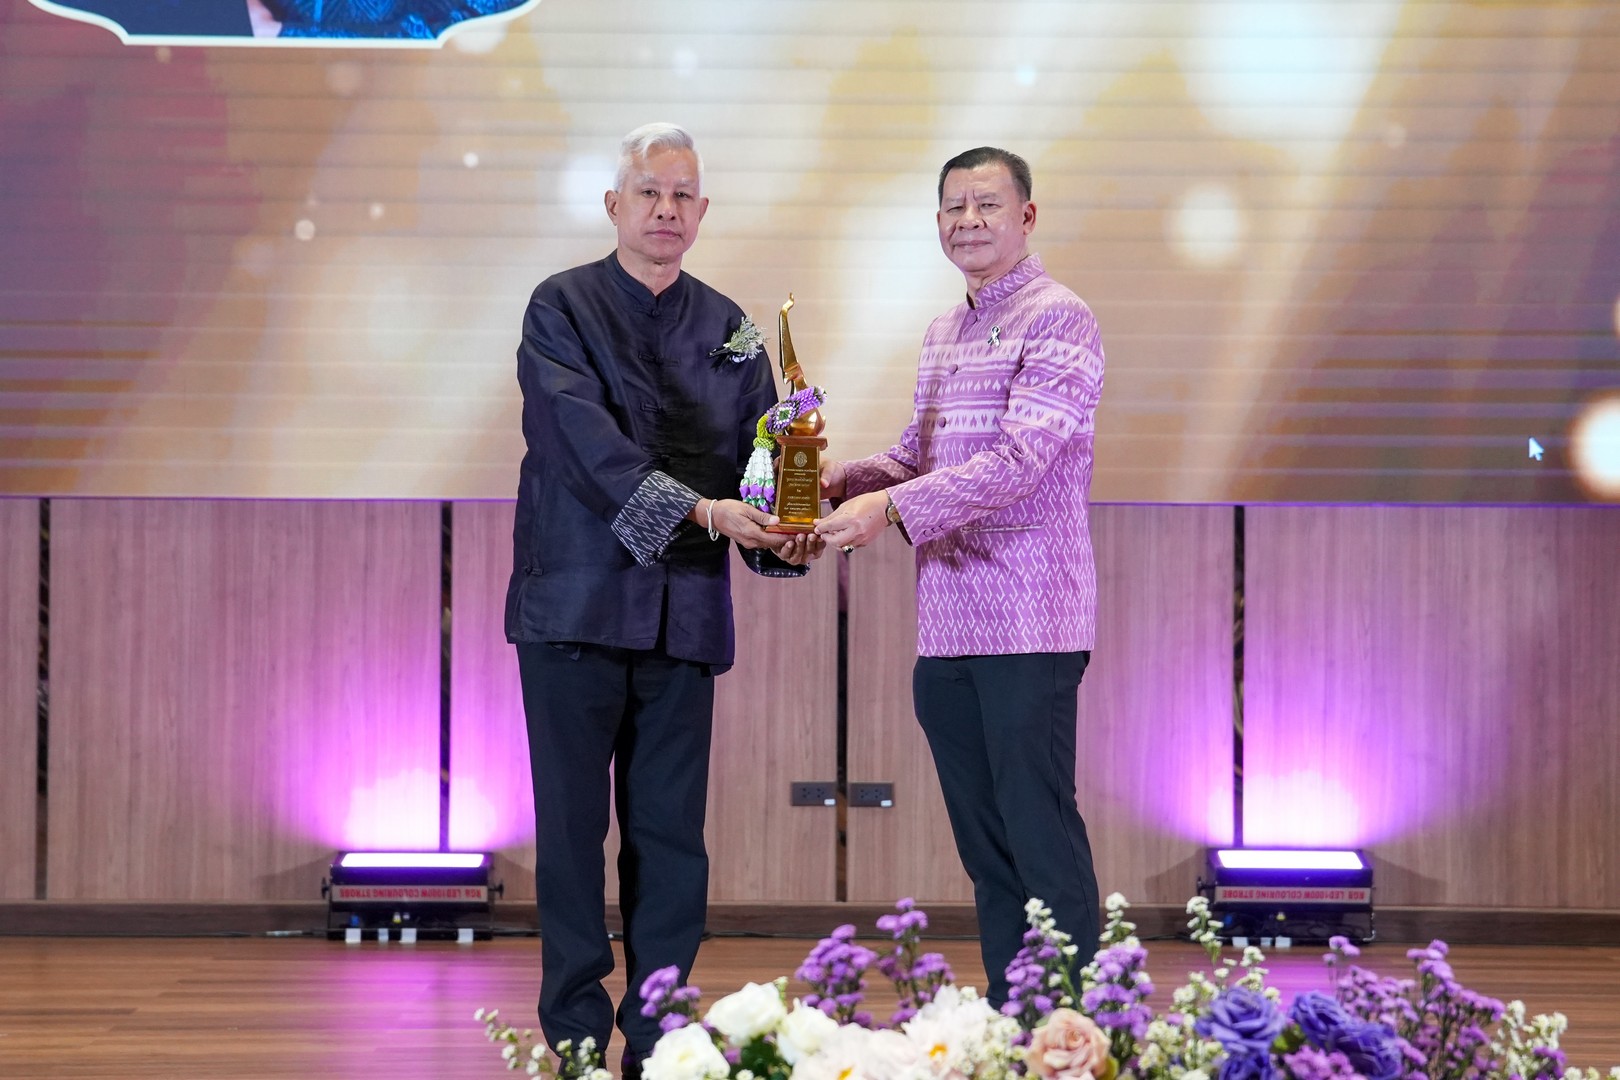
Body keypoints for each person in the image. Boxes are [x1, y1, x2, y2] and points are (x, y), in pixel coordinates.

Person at [506, 122, 817, 1077]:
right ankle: (574, 1038)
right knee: (570, 834)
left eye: (683, 195)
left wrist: (786, 523)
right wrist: (706, 512)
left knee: (672, 838)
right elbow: (580, 441)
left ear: (703, 211)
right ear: (615, 204)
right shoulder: (559, 305)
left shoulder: (732, 326)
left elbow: (759, 461)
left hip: (685, 616)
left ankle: (661, 1036)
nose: (666, 210)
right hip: (575, 606)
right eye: (649, 192)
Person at [814, 146, 1106, 1004]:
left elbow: (1020, 461)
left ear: (1027, 216)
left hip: (1030, 622)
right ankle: (1017, 1022)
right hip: (945, 628)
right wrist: (843, 479)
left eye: (987, 204)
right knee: (987, 852)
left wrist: (889, 509)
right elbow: (920, 454)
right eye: (953, 207)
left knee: (1041, 838)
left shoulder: (1061, 319)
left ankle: (1076, 1029)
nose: (968, 221)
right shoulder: (946, 330)